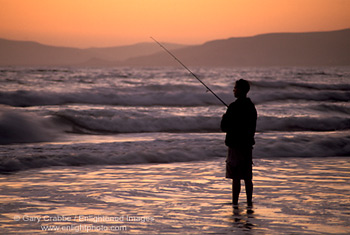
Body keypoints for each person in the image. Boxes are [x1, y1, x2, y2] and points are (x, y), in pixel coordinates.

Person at [221, 79, 257, 208]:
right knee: (247, 177)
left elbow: (224, 127)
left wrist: (225, 117)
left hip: (235, 145)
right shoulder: (251, 107)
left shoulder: (233, 107)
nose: (233, 90)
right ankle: (249, 203)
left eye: (235, 88)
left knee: (236, 177)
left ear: (241, 90)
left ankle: (235, 204)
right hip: (247, 145)